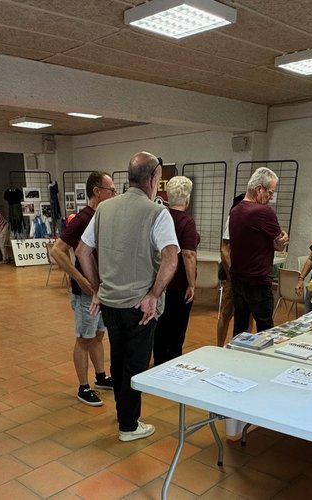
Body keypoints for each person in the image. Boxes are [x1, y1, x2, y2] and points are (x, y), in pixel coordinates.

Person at [76, 152, 179, 442]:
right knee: (136, 363)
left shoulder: (104, 209)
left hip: (109, 301)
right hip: (139, 304)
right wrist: (154, 294)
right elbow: (171, 258)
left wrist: (96, 288)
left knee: (119, 358)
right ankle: (129, 426)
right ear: (153, 179)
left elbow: (82, 251)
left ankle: (124, 413)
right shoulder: (158, 213)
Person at [51, 171, 116, 407]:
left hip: (101, 292)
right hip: (86, 295)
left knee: (98, 336)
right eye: (111, 190)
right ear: (97, 191)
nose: (114, 194)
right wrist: (79, 279)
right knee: (84, 339)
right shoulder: (83, 218)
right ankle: (83, 387)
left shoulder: (101, 217)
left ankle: (100, 377)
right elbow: (57, 250)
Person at [228, 167, 289, 337]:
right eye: (270, 192)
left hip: (238, 277)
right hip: (258, 279)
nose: (270, 198)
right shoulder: (264, 212)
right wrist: (282, 241)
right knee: (265, 328)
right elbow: (279, 244)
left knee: (240, 327)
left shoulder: (235, 210)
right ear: (259, 189)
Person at [153, 176, 198, 365]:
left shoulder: (159, 217)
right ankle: (172, 362)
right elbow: (188, 254)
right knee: (177, 326)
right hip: (179, 283)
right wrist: (192, 284)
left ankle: (159, 359)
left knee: (160, 325)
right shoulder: (187, 223)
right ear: (187, 200)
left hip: (160, 281)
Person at [215, 194, 244, 346]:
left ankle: (244, 345)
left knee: (247, 314)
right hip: (233, 276)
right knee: (226, 313)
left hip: (248, 275)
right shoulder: (232, 219)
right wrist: (231, 274)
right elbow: (224, 250)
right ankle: (219, 346)